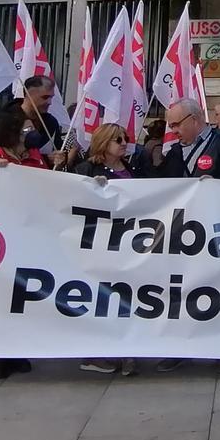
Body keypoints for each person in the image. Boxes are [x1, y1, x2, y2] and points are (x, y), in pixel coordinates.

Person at [157, 100, 220, 374]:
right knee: (181, 291)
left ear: (194, 119)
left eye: (177, 124)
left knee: (219, 292)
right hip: (185, 237)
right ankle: (179, 348)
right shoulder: (175, 154)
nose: (173, 129)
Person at [72, 123, 139, 376]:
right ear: (103, 143)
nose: (123, 142)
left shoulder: (131, 168)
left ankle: (126, 350)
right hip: (99, 243)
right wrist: (90, 187)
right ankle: (95, 353)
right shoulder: (87, 169)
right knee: (101, 296)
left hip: (127, 242)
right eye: (117, 139)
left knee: (125, 296)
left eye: (125, 138)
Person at [0, 106, 43, 380]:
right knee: (4, 294)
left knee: (24, 296)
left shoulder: (33, 157)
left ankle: (19, 351)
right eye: (26, 129)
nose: (31, 134)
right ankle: (1, 354)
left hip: (33, 234)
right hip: (5, 237)